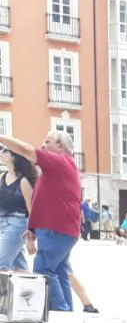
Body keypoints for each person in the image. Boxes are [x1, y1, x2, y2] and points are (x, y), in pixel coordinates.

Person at [0, 130, 82, 312]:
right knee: (59, 271)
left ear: (60, 146)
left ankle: (59, 312)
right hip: (61, 229)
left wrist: (1, 137)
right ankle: (66, 315)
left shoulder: (59, 161)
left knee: (43, 269)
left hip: (56, 229)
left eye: (48, 141)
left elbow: (25, 149)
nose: (43, 145)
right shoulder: (59, 168)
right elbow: (41, 201)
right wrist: (32, 229)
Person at [0, 148, 33, 269]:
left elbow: (32, 210)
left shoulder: (23, 181)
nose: (1, 153)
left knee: (1, 263)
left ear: (14, 156)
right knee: (18, 267)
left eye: (5, 151)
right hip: (2, 224)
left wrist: (30, 239)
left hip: (18, 225)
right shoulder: (2, 177)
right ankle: (28, 281)